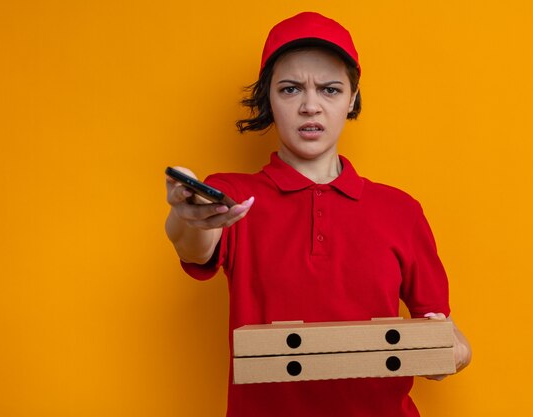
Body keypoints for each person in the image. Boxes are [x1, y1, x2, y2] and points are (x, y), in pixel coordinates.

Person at [165, 11, 471, 417]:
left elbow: (441, 331)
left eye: (329, 89)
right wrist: (187, 215)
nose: (310, 106)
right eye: (291, 90)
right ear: (268, 99)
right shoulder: (235, 195)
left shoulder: (401, 210)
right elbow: (193, 246)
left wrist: (452, 351)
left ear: (352, 98)